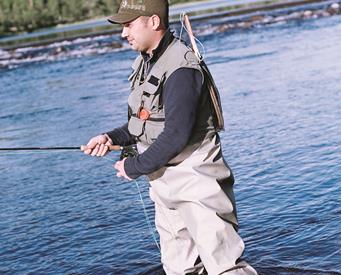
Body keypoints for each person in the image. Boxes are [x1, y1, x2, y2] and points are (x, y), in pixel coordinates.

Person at [83, 0, 257, 274]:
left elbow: (176, 134)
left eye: (128, 25)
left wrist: (133, 167)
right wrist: (108, 137)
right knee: (179, 268)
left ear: (153, 22)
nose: (123, 34)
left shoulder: (181, 69)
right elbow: (142, 123)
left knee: (224, 267)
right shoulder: (147, 63)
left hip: (197, 180)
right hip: (163, 182)